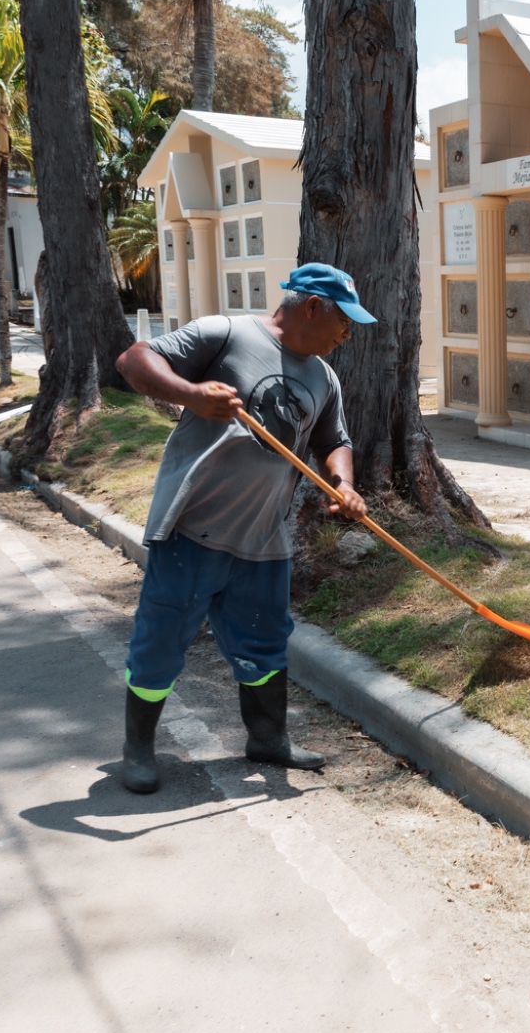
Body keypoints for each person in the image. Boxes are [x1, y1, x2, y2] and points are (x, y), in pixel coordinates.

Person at [112, 263, 375, 793]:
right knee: (161, 641)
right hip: (193, 530)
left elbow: (334, 441)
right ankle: (137, 749)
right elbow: (133, 360)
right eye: (344, 319)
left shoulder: (324, 378)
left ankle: (268, 739)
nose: (348, 332)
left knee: (265, 642)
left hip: (265, 536)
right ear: (312, 306)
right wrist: (189, 395)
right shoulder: (226, 333)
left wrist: (342, 484)